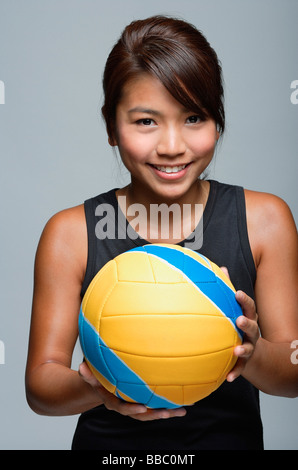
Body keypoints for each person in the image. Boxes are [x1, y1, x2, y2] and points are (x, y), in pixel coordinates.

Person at [25, 15, 298, 450]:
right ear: (112, 127)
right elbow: (41, 384)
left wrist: (252, 352)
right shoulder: (70, 232)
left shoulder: (264, 220)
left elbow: (293, 370)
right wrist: (100, 389)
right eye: (146, 121)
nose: (172, 145)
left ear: (218, 122)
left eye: (194, 117)